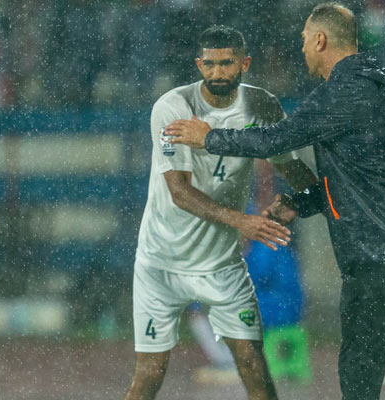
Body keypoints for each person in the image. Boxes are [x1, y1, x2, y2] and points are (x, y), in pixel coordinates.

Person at [166, 3, 385, 399]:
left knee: (360, 366)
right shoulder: (374, 88)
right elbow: (365, 176)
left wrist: (209, 137)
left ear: (320, 40)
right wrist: (300, 204)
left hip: (377, 253)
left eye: (304, 39)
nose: (301, 47)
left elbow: (275, 139)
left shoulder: (341, 91)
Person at [123, 25, 317, 400]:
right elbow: (179, 192)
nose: (217, 72)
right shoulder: (172, 108)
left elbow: (290, 168)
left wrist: (309, 196)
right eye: (209, 64)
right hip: (162, 260)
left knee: (252, 363)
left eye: (226, 63)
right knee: (150, 372)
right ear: (199, 65)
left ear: (244, 63)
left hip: (221, 261)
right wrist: (241, 221)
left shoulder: (261, 105)